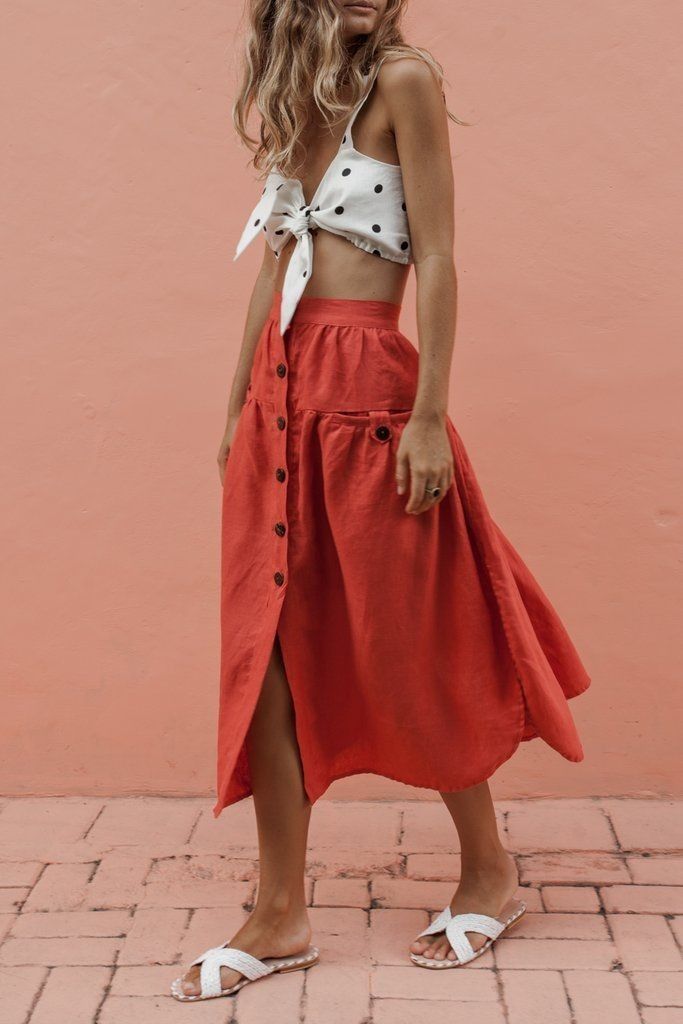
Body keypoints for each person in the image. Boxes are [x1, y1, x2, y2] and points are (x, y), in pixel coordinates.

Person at [171, 0, 591, 1002]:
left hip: (369, 392)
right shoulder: (298, 97)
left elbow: (436, 254)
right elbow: (276, 263)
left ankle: (488, 871)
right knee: (267, 656)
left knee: (410, 640)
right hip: (282, 397)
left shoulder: (405, 79)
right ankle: (280, 912)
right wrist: (235, 408)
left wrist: (429, 412)